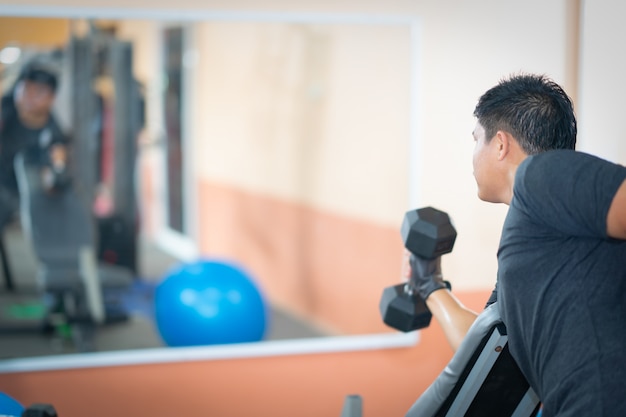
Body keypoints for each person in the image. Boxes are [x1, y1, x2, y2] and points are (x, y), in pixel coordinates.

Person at [405, 73, 626, 416]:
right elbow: (486, 351)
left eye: (476, 138)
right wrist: (429, 283)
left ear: (500, 144)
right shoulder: (531, 234)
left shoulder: (539, 176)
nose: (473, 154)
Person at [0, 61, 71, 231]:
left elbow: (58, 175)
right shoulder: (6, 114)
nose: (29, 97)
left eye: (38, 92)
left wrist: (55, 172)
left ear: (51, 98)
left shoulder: (54, 136)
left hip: (23, 204)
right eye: (25, 89)